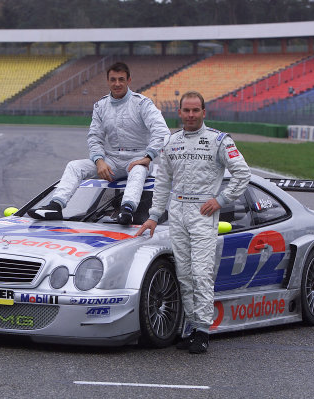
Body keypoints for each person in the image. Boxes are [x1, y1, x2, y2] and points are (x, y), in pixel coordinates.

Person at [136, 91, 250, 354]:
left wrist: (220, 200)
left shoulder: (218, 140)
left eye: (195, 111)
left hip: (203, 214)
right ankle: (189, 327)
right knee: (184, 275)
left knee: (201, 273)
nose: (190, 115)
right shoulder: (171, 142)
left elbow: (242, 174)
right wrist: (154, 216)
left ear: (203, 112)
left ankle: (203, 330)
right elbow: (162, 182)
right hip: (177, 213)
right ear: (179, 112)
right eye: (186, 111)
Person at [28, 62, 170, 224]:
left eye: (121, 79)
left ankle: (127, 210)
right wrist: (99, 160)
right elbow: (94, 137)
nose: (117, 84)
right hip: (111, 161)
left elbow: (162, 131)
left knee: (138, 170)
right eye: (113, 79)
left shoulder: (142, 103)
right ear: (108, 81)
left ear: (128, 80)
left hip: (138, 158)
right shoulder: (101, 106)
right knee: (75, 166)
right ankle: (55, 205)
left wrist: (148, 157)